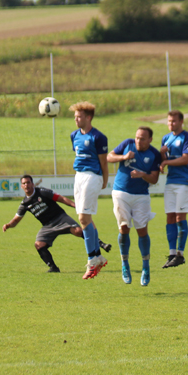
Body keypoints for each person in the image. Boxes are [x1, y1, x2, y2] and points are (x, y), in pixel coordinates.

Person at [2, 175, 111, 273]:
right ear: (22, 186)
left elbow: (61, 199)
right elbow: (16, 220)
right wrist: (8, 225)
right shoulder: (24, 203)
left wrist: (75, 206)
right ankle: (53, 268)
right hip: (47, 226)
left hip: (60, 218)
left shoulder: (42, 192)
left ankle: (101, 244)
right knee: (39, 245)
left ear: (33, 184)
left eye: (28, 182)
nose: (26, 185)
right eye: (24, 183)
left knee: (78, 231)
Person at [106, 127, 161, 286]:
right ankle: (125, 264)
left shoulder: (154, 154)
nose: (138, 141)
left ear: (150, 139)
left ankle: (146, 267)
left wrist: (142, 175)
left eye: (142, 139)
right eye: (137, 137)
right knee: (124, 228)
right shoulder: (127, 144)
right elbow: (109, 157)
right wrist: (123, 157)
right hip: (121, 192)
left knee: (142, 230)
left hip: (141, 196)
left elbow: (154, 179)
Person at [70, 101, 109, 280]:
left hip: (92, 176)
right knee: (87, 219)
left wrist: (104, 180)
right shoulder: (74, 135)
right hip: (78, 176)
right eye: (75, 117)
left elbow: (103, 162)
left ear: (88, 118)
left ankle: (92, 260)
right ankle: (98, 257)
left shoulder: (98, 137)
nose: (76, 119)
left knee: (83, 219)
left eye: (79, 117)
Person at [159, 110, 188, 269]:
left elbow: (185, 159)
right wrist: (162, 155)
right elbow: (164, 160)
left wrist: (166, 162)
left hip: (184, 181)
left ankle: (180, 254)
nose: (171, 124)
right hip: (171, 181)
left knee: (180, 217)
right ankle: (172, 253)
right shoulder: (166, 138)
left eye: (174, 121)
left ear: (181, 122)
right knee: (170, 217)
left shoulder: (187, 137)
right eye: (169, 121)